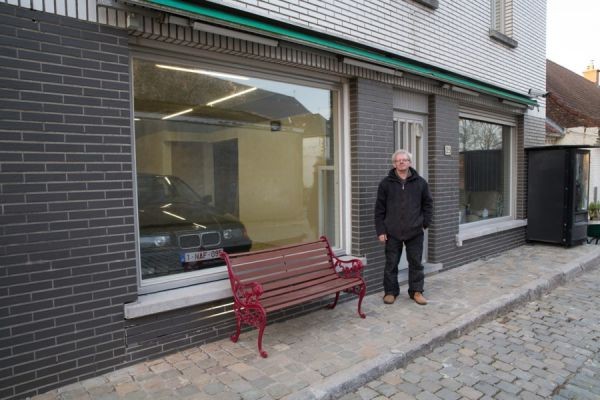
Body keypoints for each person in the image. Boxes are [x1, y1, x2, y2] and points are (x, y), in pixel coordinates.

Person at [374, 150, 433, 305]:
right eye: (398, 160)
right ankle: (390, 292)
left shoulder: (420, 182)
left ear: (410, 163)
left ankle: (416, 291)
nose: (401, 162)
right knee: (391, 263)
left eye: (404, 160)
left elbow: (428, 204)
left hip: (415, 231)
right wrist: (381, 231)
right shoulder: (386, 184)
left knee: (416, 263)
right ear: (394, 164)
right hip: (392, 232)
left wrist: (425, 223)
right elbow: (379, 209)